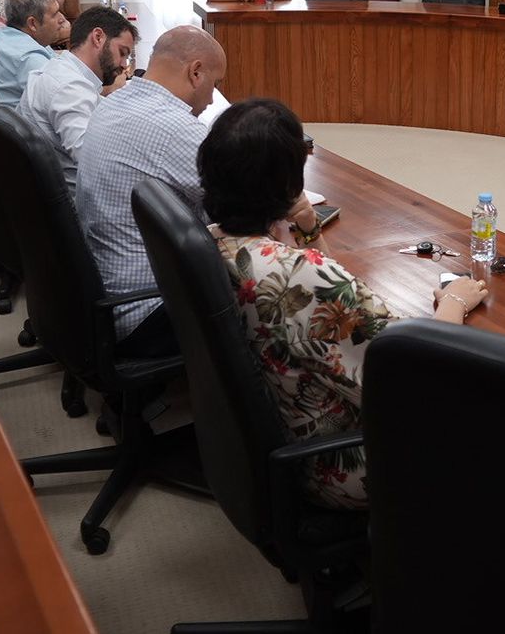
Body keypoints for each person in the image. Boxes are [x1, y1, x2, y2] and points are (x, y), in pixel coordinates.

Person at [201, 97, 488, 509]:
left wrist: (307, 226)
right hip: (344, 460)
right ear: (287, 182)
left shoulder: (216, 242)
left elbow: (322, 284)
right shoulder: (299, 275)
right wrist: (455, 302)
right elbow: (415, 371)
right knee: (500, 407)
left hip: (281, 431)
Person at [76, 26, 228, 354]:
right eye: (215, 84)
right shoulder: (177, 129)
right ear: (196, 72)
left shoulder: (113, 103)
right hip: (147, 309)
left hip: (104, 294)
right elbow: (245, 208)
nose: (212, 98)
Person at [17, 6, 137, 191]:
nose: (124, 65)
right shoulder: (69, 87)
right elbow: (92, 161)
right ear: (98, 37)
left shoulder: (60, 70)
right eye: (122, 53)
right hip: (80, 198)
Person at [0, 0, 65, 106]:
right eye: (55, 14)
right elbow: (66, 100)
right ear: (32, 23)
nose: (62, 19)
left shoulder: (9, 36)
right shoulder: (29, 59)